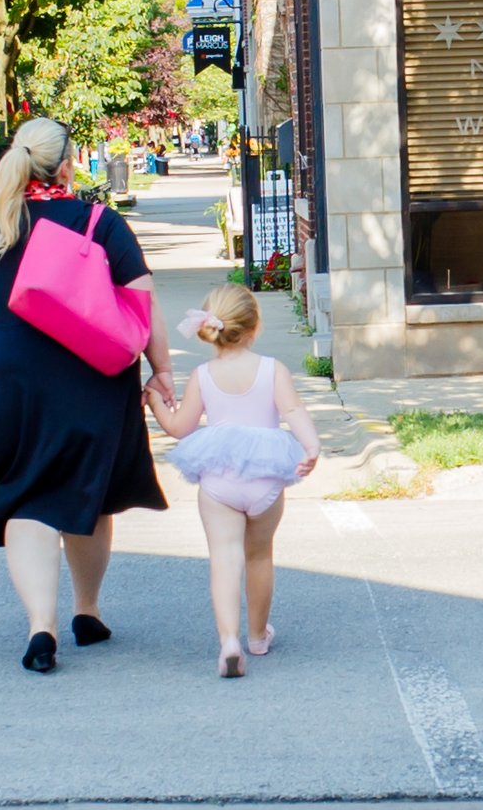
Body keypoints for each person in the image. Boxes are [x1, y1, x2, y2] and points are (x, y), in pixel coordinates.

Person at [0, 117, 174, 673]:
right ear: (69, 164)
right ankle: (87, 611)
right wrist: (162, 370)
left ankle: (39, 626)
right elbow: (142, 306)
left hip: (4, 378)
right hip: (87, 375)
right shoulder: (99, 222)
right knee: (86, 491)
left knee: (25, 497)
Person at [143, 283, 322, 677]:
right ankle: (258, 636)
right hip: (265, 476)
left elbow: (179, 427)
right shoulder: (273, 369)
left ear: (211, 330)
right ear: (254, 328)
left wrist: (154, 400)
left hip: (218, 478)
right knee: (259, 555)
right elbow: (292, 409)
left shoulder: (203, 376)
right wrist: (310, 447)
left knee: (225, 558)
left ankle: (229, 641)